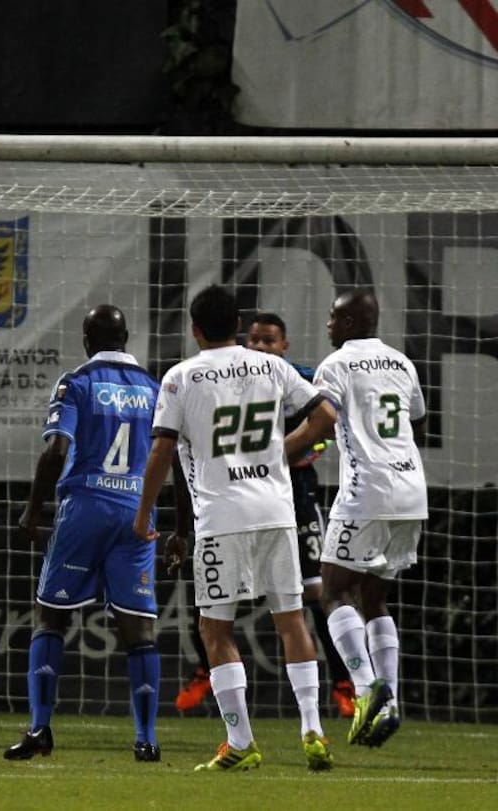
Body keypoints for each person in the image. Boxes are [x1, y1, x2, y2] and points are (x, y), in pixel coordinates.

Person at [133, 285, 337, 772]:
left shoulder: (182, 377)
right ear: (239, 323)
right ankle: (313, 727)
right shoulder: (271, 365)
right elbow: (326, 416)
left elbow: (163, 452)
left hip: (221, 517)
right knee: (291, 619)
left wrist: (143, 516)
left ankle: (241, 740)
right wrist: (280, 452)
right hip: (275, 511)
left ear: (196, 329)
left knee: (214, 628)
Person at [173, 313, 355, 720]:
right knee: (211, 599)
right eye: (253, 339)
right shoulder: (226, 378)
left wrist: (280, 455)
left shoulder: (295, 379)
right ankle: (207, 669)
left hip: (294, 497)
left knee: (313, 593)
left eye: (269, 341)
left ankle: (344, 684)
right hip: (235, 497)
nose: (259, 347)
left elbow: (327, 426)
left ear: (284, 345)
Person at [4, 305, 163, 763]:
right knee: (139, 628)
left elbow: (57, 450)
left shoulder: (76, 383)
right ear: (127, 337)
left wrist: (34, 509)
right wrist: (180, 528)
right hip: (137, 510)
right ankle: (146, 738)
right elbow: (169, 457)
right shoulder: (153, 388)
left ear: (86, 341)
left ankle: (39, 729)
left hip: (86, 507)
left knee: (51, 616)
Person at [309, 290, 428, 748]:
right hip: (410, 489)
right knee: (374, 597)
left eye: (335, 317)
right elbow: (418, 423)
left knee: (333, 590)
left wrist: (286, 450)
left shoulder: (336, 364)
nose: (329, 325)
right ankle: (392, 700)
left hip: (367, 490)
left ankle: (364, 691)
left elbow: (321, 419)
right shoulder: (401, 363)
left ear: (353, 323)